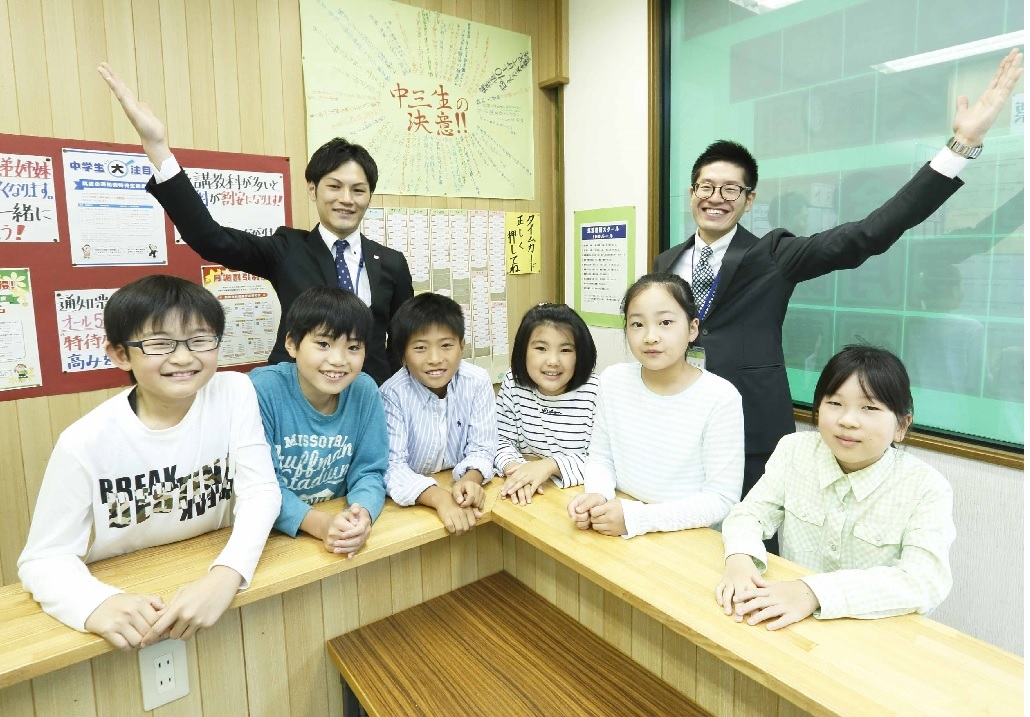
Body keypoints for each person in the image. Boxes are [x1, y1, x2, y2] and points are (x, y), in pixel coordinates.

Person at [652, 50, 1023, 511]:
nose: (716, 198)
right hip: (681, 420)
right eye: (706, 186)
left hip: (750, 428)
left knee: (756, 540)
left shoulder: (773, 254)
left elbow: (868, 234)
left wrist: (959, 148)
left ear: (749, 201)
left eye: (732, 189)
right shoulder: (667, 261)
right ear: (692, 193)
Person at [98, 63, 413, 384]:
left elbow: (401, 339)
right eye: (334, 186)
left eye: (358, 190)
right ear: (312, 190)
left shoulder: (391, 263)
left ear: (369, 196)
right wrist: (158, 149)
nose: (347, 198)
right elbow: (210, 239)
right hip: (295, 393)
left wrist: (392, 388)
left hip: (370, 393)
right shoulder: (288, 249)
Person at [18, 275, 281, 649]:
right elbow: (43, 557)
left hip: (213, 571)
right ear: (120, 354)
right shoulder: (84, 442)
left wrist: (228, 573)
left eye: (200, 339)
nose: (184, 357)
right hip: (135, 594)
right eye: (160, 343)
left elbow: (260, 491)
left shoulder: (234, 392)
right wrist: (96, 603)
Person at [716, 345, 955, 630]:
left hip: (875, 631)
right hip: (794, 623)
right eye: (834, 403)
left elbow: (924, 581)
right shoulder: (795, 450)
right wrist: (740, 558)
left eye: (869, 407)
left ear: (901, 426)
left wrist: (814, 592)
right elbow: (750, 514)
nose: (847, 420)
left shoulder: (926, 487)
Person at [567, 273, 744, 538]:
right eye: (637, 324)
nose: (650, 336)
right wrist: (597, 496)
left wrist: (637, 518)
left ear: (692, 329)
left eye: (665, 322)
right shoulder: (613, 380)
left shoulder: (721, 396)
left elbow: (720, 499)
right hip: (622, 524)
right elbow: (602, 457)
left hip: (690, 537)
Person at [249, 287, 388, 558]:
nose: (338, 360)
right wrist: (322, 525)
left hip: (336, 524)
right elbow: (261, 486)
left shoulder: (364, 389)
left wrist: (361, 516)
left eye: (353, 347)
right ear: (292, 344)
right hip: (272, 539)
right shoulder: (261, 390)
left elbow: (369, 471)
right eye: (323, 344)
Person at [380, 293, 497, 535]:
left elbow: (483, 448)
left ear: (462, 346)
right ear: (402, 355)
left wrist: (471, 480)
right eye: (420, 348)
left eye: (446, 345)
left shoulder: (477, 381)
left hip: (461, 497)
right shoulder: (392, 394)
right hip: (413, 512)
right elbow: (392, 467)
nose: (435, 359)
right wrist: (440, 499)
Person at [496, 303, 600, 506]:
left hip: (577, 500)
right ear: (523, 351)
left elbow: (603, 463)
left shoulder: (596, 392)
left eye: (565, 350)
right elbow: (499, 438)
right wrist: (517, 470)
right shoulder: (514, 383)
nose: (553, 361)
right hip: (530, 497)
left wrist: (549, 466)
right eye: (541, 348)